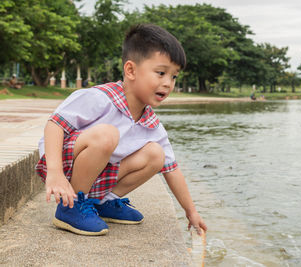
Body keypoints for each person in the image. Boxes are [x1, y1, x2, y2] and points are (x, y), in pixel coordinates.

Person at [35, 24, 207, 236]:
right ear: (131, 70)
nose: (167, 83)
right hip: (63, 167)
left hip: (97, 173)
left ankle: (102, 202)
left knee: (156, 154)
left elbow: (172, 169)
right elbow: (55, 125)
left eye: (173, 77)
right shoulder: (100, 98)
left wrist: (191, 212)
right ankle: (71, 207)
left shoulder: (151, 124)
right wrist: (55, 172)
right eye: (161, 73)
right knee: (107, 135)